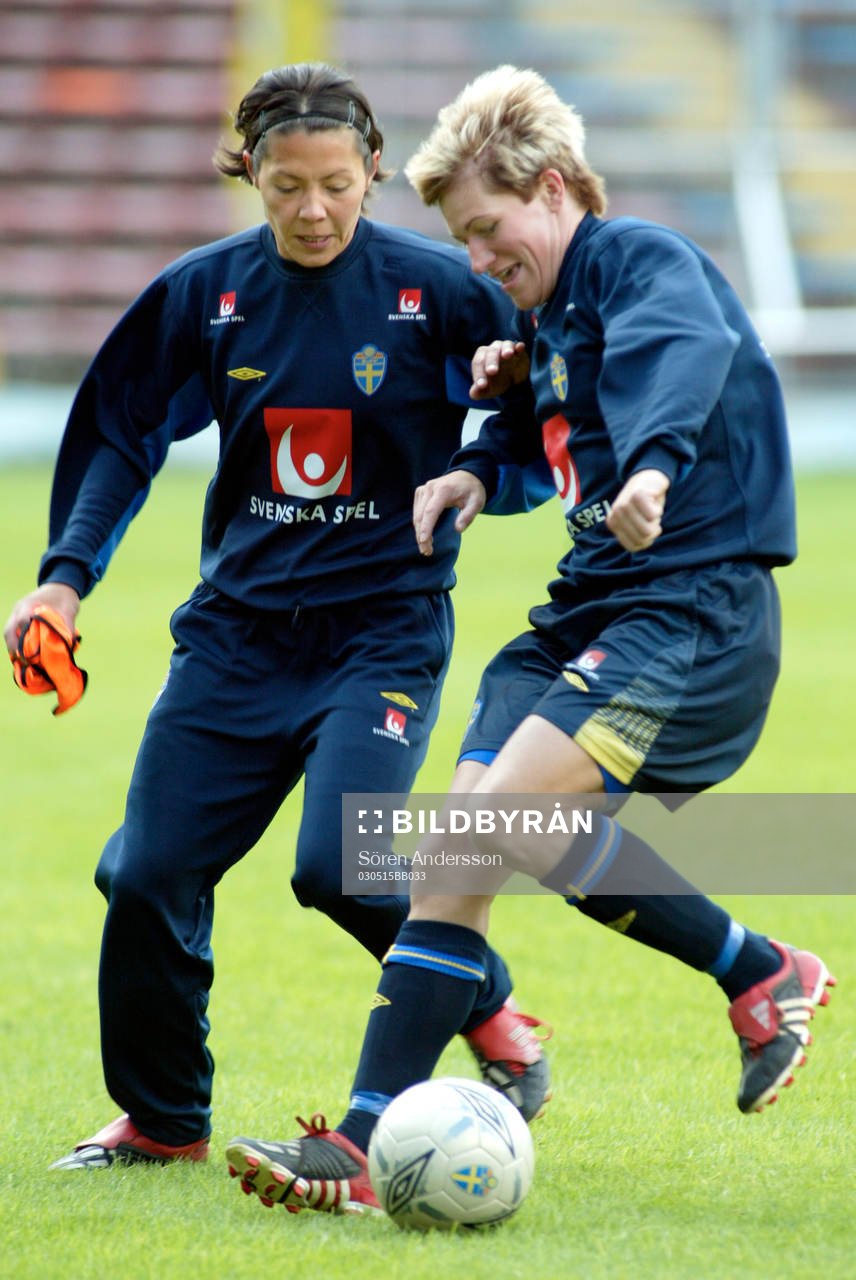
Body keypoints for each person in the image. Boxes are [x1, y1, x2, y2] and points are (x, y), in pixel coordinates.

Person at [224, 65, 836, 1217]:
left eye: (490, 231)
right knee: (479, 847)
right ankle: (759, 969)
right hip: (581, 613)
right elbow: (537, 432)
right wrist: (472, 466)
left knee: (476, 841)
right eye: (463, 240)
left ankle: (358, 1146)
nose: (480, 258)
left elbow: (680, 359)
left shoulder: (637, 261)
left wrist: (653, 465)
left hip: (686, 608)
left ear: (551, 188)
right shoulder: (545, 317)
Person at [3, 63, 556, 1173]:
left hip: (380, 631)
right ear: (248, 172)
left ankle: (486, 1001)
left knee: (341, 862)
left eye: (338, 185)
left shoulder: (438, 289)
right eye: (287, 185)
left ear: (373, 175)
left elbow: (536, 418)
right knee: (145, 874)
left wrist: (487, 477)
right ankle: (164, 1120)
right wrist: (65, 574)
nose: (313, 210)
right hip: (234, 637)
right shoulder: (205, 293)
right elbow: (122, 432)